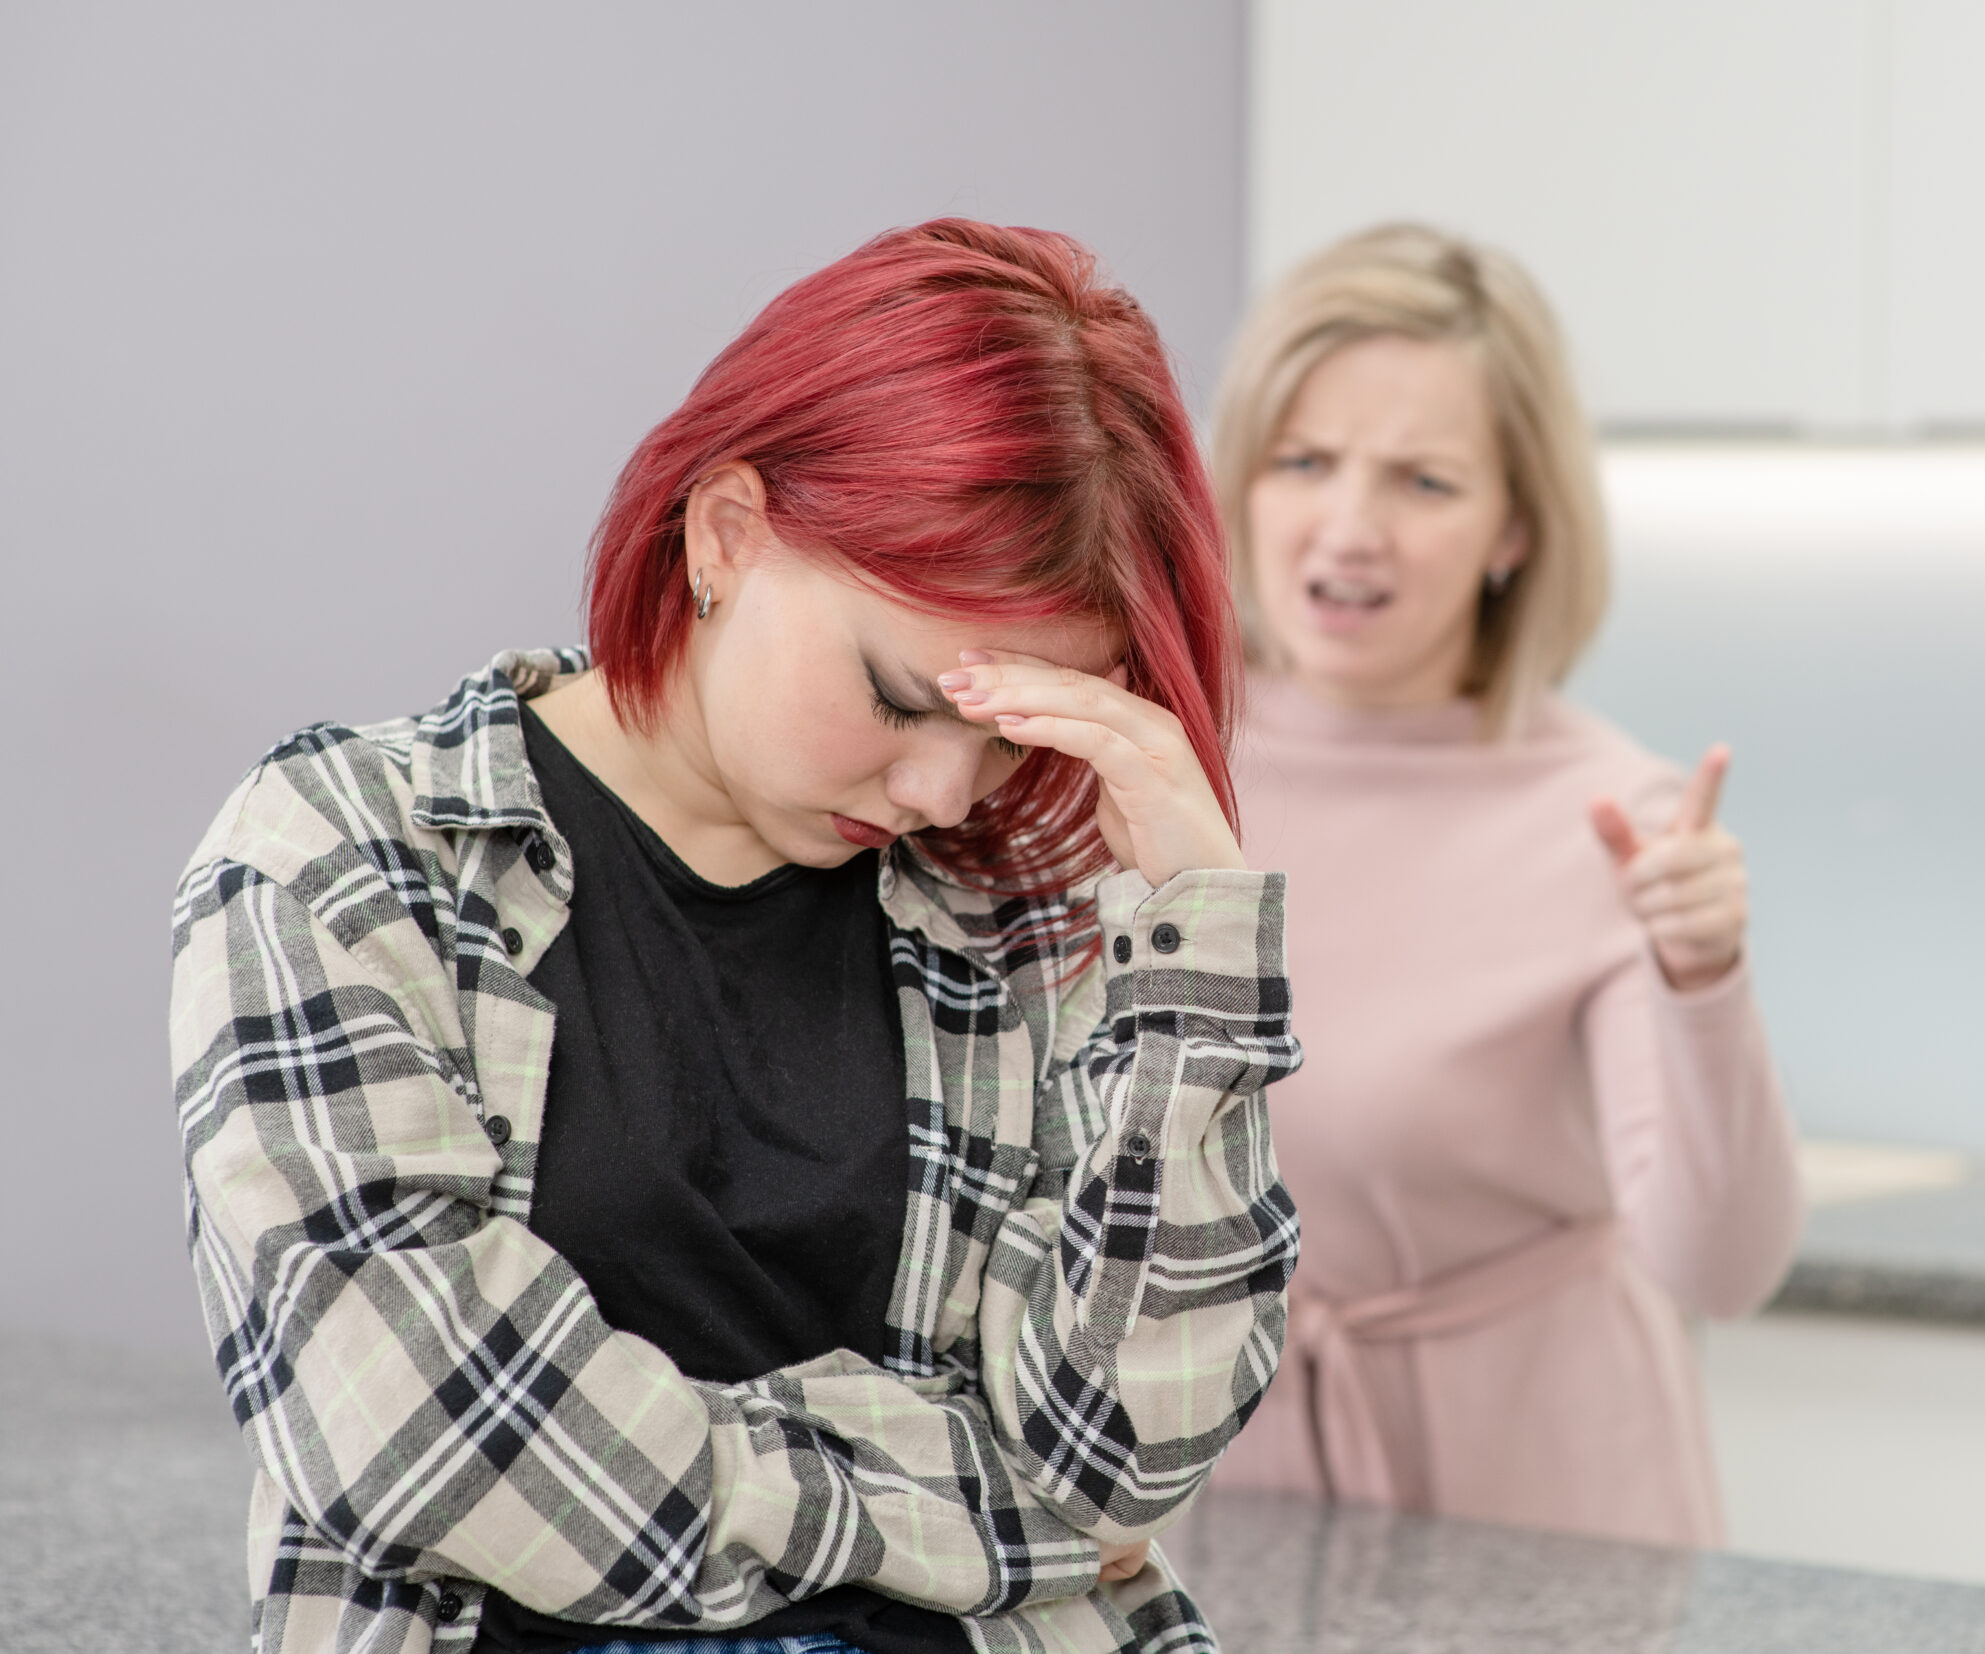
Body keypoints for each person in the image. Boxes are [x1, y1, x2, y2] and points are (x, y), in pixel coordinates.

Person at [168, 220, 1299, 1654]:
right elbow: (418, 1436)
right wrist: (981, 1520)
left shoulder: (1020, 918)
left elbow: (1124, 1456)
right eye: (901, 698)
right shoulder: (347, 853)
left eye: (1012, 733)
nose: (946, 791)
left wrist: (1197, 957)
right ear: (725, 535)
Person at [1202, 224, 1802, 1548]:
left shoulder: (1617, 819)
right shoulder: (1150, 773)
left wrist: (1703, 981)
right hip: (1209, 1499)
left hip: (1541, 1510)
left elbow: (1724, 1266)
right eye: (1303, 461)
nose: (1350, 527)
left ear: (1516, 526)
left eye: (1424, 481)